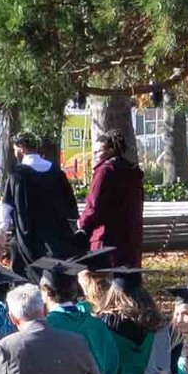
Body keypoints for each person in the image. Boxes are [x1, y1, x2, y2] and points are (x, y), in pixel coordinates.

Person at [76, 106, 145, 261]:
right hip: (130, 239)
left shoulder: (105, 171)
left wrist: (82, 225)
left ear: (111, 150)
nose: (95, 156)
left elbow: (94, 205)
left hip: (106, 239)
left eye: (98, 152)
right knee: (125, 281)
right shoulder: (133, 171)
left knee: (101, 281)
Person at [5, 135, 80, 269]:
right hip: (57, 239)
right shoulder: (57, 173)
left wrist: (0, 231)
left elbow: (7, 206)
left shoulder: (18, 174)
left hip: (28, 240)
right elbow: (71, 207)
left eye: (15, 149)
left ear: (22, 148)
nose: (15, 152)